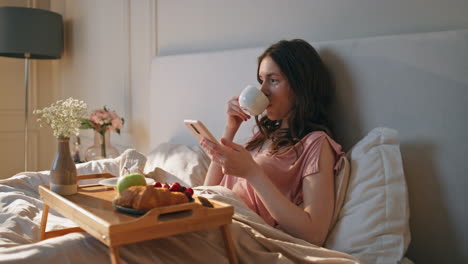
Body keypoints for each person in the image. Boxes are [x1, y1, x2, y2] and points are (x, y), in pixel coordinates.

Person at [200, 39, 344, 247]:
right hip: (211, 221)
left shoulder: (316, 144)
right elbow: (209, 191)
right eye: (261, 80)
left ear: (300, 86)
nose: (263, 90)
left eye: (273, 80)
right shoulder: (260, 139)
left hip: (239, 235)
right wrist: (231, 128)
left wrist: (253, 173)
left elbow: (314, 233)